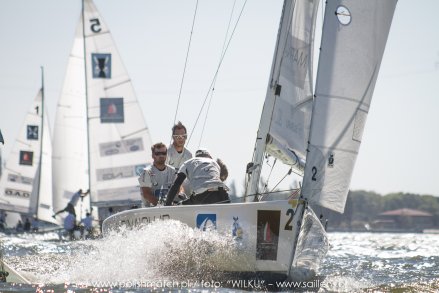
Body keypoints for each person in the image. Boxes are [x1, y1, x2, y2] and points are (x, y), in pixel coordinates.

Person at [165, 148, 231, 206]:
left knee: (180, 205)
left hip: (201, 196)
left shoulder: (188, 163)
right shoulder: (214, 163)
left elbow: (176, 185)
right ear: (209, 157)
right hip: (222, 194)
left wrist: (167, 204)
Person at [138, 142, 177, 207]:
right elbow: (146, 193)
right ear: (153, 156)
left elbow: (178, 188)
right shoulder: (146, 172)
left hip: (169, 209)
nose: (161, 156)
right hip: (151, 211)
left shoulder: (173, 171)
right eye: (158, 153)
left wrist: (181, 193)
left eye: (163, 153)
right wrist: (161, 205)